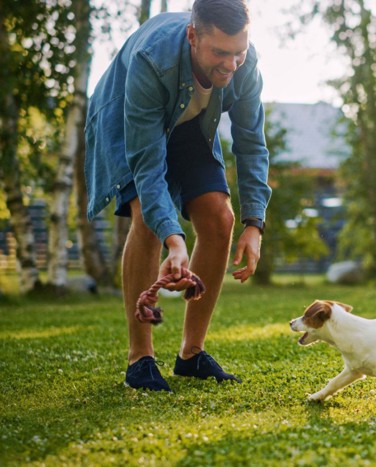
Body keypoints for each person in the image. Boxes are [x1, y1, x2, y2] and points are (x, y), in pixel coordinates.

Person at [84, 0, 271, 392]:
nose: (230, 64)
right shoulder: (154, 60)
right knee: (148, 222)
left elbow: (252, 144)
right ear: (192, 35)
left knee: (220, 219)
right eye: (220, 53)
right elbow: (148, 166)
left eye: (237, 52)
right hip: (132, 118)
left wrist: (256, 224)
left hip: (190, 123)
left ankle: (191, 354)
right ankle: (140, 359)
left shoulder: (244, 62)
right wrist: (174, 238)